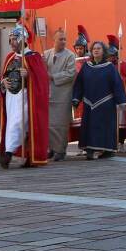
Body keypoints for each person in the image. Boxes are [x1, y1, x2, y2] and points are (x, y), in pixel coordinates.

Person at [0, 21, 50, 168]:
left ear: (23, 39)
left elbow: (42, 79)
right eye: (10, 39)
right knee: (14, 124)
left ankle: (8, 155)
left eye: (14, 39)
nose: (12, 42)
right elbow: (3, 76)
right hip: (11, 98)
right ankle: (23, 156)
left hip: (26, 98)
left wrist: (29, 74)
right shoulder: (9, 58)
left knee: (17, 124)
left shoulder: (34, 57)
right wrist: (3, 82)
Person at [71, 40, 126, 160]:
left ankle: (107, 150)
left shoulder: (110, 68)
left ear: (103, 51)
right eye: (94, 49)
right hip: (88, 102)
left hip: (105, 102)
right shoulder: (86, 66)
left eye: (99, 48)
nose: (96, 50)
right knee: (89, 126)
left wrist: (122, 101)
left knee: (104, 127)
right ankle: (90, 150)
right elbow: (79, 83)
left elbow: (117, 85)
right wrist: (76, 98)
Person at [43, 29, 77, 161]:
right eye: (60, 39)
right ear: (54, 40)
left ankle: (61, 150)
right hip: (48, 94)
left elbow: (70, 73)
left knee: (61, 124)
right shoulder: (46, 54)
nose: (63, 42)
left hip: (63, 95)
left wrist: (53, 76)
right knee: (49, 124)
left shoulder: (70, 55)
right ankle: (51, 148)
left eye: (65, 39)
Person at [106, 34, 126, 150]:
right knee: (111, 122)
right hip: (109, 97)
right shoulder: (106, 66)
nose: (110, 58)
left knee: (121, 122)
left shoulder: (122, 65)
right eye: (108, 56)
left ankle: (121, 143)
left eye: (112, 56)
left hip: (120, 97)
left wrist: (121, 79)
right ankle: (112, 143)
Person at [68, 26, 90, 152]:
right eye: (77, 48)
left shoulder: (89, 60)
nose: (79, 50)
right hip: (77, 95)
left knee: (87, 122)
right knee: (79, 123)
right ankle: (82, 146)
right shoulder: (72, 60)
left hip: (87, 94)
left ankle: (87, 145)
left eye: (81, 48)